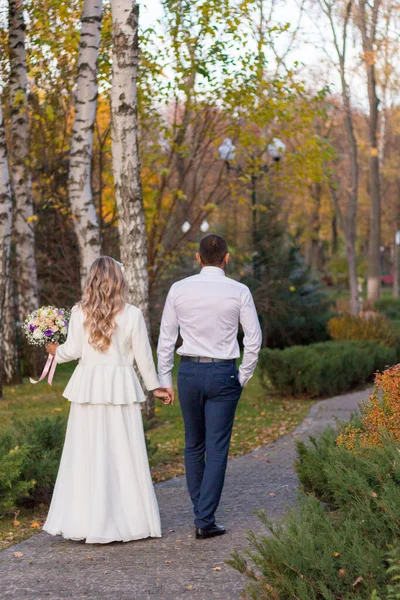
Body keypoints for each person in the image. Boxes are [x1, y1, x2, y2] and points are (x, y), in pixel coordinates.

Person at [43, 256, 171, 544]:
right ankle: (130, 519)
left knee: (86, 451)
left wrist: (53, 350)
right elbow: (143, 358)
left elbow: (71, 350)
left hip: (89, 387)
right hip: (119, 388)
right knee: (122, 451)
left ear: (92, 281)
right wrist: (156, 387)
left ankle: (86, 520)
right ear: (119, 281)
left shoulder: (79, 313)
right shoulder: (132, 315)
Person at [157, 234, 262, 539]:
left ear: (198, 257)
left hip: (189, 371)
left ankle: (201, 511)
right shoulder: (239, 291)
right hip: (223, 373)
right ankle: (204, 518)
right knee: (216, 447)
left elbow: (166, 339)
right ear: (226, 258)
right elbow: (253, 339)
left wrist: (165, 380)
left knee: (194, 443)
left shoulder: (179, 289)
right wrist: (243, 376)